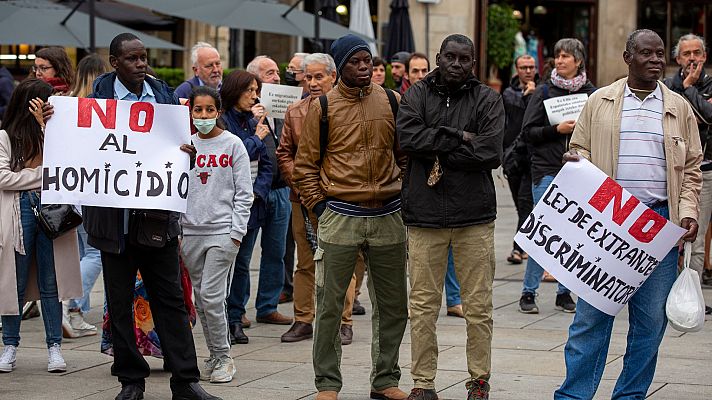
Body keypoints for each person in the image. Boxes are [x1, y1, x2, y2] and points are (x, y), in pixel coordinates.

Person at [555, 29, 703, 400]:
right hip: (609, 226)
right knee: (590, 320)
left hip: (659, 226)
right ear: (627, 57)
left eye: (659, 55)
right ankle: (574, 395)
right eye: (646, 54)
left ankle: (630, 395)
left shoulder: (679, 107)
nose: (656, 60)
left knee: (650, 325)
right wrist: (577, 161)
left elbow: (692, 168)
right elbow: (580, 147)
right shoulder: (599, 100)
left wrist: (686, 213)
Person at [82, 33, 219, 400]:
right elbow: (80, 150)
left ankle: (186, 381)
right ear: (114, 62)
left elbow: (176, 148)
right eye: (132, 59)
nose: (141, 64)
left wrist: (185, 153)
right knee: (120, 302)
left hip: (156, 219)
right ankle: (131, 381)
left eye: (144, 57)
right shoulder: (97, 101)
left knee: (171, 300)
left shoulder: (163, 95)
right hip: (114, 223)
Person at [293, 34, 409, 400]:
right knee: (328, 304)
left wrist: (402, 193)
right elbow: (305, 166)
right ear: (340, 65)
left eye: (368, 61)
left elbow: (404, 156)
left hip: (389, 215)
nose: (364, 68)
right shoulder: (322, 106)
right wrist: (321, 209)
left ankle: (385, 379)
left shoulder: (392, 100)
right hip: (340, 214)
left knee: (393, 305)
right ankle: (327, 383)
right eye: (355, 62)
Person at [398, 34, 504, 400]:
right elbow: (408, 138)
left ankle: (479, 380)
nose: (457, 65)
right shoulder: (416, 94)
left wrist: (437, 147)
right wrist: (460, 136)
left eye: (465, 59)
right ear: (438, 58)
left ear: (473, 62)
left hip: (473, 215)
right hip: (424, 216)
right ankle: (423, 383)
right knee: (423, 306)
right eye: (450, 57)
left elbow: (490, 151)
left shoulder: (488, 98)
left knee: (478, 306)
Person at [276, 53, 359, 345]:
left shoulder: (348, 108)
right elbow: (284, 152)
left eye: (318, 76)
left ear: (333, 76)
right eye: (308, 77)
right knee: (306, 261)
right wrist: (300, 181)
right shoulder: (295, 111)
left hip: (339, 197)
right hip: (302, 198)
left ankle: (343, 321)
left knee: (341, 260)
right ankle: (303, 320)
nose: (312, 82)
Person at [0, 78, 81, 374]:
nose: (51, 108)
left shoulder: (56, 133)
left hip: (52, 211)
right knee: (15, 284)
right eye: (45, 102)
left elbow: (65, 165)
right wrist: (43, 175)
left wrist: (46, 128)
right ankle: (10, 346)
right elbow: (3, 178)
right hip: (18, 211)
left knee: (51, 282)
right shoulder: (6, 137)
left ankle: (54, 347)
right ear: (31, 102)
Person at [518, 38, 595, 314]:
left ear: (578, 61)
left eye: (566, 56)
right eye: (557, 56)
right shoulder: (544, 91)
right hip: (546, 170)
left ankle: (564, 293)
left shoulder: (591, 93)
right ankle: (529, 292)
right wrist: (557, 130)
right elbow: (528, 132)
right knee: (543, 232)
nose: (560, 61)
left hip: (577, 173)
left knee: (571, 235)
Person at [181, 86, 253, 384]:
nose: (204, 116)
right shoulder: (184, 145)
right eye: (198, 110)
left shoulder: (233, 144)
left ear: (218, 111)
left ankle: (224, 356)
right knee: (201, 300)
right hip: (190, 233)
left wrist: (236, 232)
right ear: (191, 113)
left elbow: (244, 193)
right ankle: (213, 354)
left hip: (222, 233)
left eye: (209, 110)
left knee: (211, 297)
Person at [229, 55, 292, 328]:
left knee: (276, 252)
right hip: (253, 195)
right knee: (243, 256)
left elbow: (272, 158)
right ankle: (237, 308)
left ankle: (267, 306)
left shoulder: (283, 107)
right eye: (269, 73)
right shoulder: (243, 117)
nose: (276, 78)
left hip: (278, 190)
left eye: (277, 72)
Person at [221, 70, 274, 344]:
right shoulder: (221, 120)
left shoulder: (255, 121)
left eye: (257, 90)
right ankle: (218, 318)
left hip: (251, 206)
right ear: (235, 90)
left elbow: (267, 163)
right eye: (250, 90)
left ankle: (235, 318)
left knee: (242, 264)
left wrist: (257, 193)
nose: (255, 96)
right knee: (223, 264)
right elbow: (231, 154)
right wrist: (256, 136)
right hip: (224, 206)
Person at [61, 54, 110, 339]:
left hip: (71, 188)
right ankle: (70, 305)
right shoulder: (101, 108)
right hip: (95, 189)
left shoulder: (67, 105)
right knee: (96, 253)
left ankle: (77, 313)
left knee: (80, 251)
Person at [663, 34, 712, 315]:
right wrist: (683, 88)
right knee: (682, 233)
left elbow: (707, 116)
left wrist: (689, 88)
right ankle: (678, 296)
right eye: (686, 54)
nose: (692, 58)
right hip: (679, 170)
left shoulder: (704, 83)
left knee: (697, 233)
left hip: (706, 166)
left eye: (697, 53)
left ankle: (692, 295)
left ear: (704, 57)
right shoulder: (668, 85)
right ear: (678, 59)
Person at [502, 54, 538, 265]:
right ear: (517, 69)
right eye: (523, 67)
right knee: (520, 205)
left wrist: (532, 95)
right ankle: (525, 246)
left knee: (525, 203)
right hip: (513, 156)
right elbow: (516, 115)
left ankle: (517, 248)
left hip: (532, 157)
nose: (528, 71)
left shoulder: (541, 89)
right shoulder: (509, 92)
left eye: (531, 67)